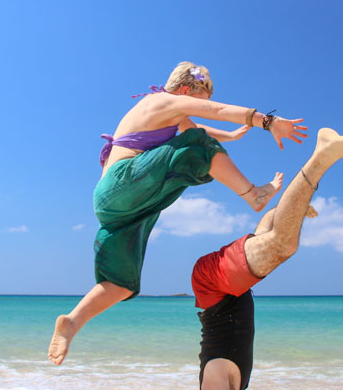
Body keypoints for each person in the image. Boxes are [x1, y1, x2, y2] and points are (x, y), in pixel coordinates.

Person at [126, 128, 343, 390]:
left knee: (283, 245)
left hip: (210, 285)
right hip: (225, 289)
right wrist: (289, 210)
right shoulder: (235, 387)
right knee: (271, 242)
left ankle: (321, 156)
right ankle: (290, 202)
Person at [48, 61, 308, 366]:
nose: (202, 106)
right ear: (185, 90)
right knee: (196, 147)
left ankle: (72, 322)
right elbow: (216, 115)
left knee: (122, 283)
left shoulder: (170, 116)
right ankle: (253, 194)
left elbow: (199, 128)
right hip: (124, 185)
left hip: (119, 206)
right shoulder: (160, 101)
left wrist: (233, 136)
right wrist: (267, 122)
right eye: (201, 99)